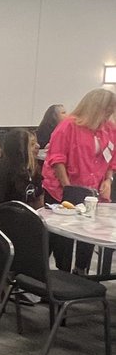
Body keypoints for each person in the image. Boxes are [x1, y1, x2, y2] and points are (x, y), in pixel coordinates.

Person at [42, 88, 116, 272]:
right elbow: (57, 159)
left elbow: (112, 157)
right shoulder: (68, 126)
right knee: (64, 235)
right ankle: (63, 273)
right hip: (64, 187)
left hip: (92, 188)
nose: (108, 115)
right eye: (106, 110)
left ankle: (81, 270)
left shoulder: (109, 129)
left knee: (91, 230)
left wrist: (108, 179)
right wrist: (69, 189)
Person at [0, 129, 40, 225]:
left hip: (20, 220)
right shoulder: (3, 171)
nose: (38, 146)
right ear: (20, 149)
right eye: (32, 144)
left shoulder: (33, 170)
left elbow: (38, 201)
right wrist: (3, 234)